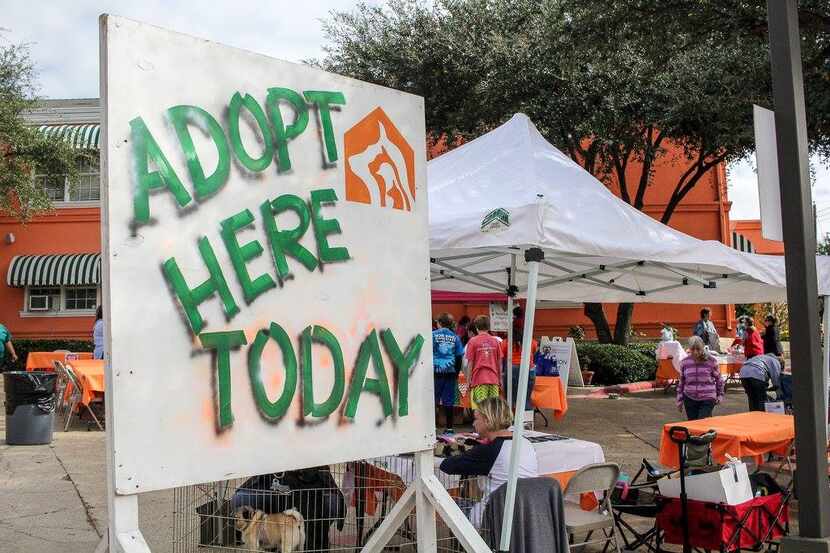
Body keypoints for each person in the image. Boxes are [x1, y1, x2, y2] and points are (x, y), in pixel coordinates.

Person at [440, 397, 539, 527]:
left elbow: (447, 466)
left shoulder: (490, 451)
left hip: (493, 517)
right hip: (526, 514)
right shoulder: (526, 443)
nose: (473, 424)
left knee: (443, 502)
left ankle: (466, 545)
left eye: (476, 419)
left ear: (487, 420)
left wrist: (455, 446)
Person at [677, 336, 724, 420]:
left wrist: (720, 395)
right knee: (693, 425)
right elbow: (681, 382)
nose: (695, 352)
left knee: (702, 422)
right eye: (692, 349)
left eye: (698, 349)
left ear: (702, 348)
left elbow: (719, 379)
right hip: (689, 397)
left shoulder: (711, 361)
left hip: (708, 397)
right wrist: (679, 400)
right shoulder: (685, 362)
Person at [433, 313, 464, 433]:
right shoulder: (455, 337)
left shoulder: (433, 335)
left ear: (439, 323)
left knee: (433, 400)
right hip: (450, 373)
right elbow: (459, 357)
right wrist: (456, 374)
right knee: (449, 401)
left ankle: (432, 426)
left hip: (435, 372)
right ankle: (450, 428)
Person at [464, 316, 503, 409]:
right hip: (493, 380)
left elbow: (470, 363)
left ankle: (482, 424)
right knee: (493, 409)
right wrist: (500, 379)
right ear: (489, 327)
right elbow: (499, 362)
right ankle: (492, 424)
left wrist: (468, 380)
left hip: (479, 380)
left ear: (476, 327)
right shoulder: (495, 341)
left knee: (480, 409)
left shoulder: (472, 341)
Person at [500, 329, 537, 410]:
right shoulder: (532, 342)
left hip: (512, 370)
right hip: (528, 370)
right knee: (526, 399)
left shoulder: (505, 342)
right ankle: (527, 420)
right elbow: (534, 351)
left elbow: (501, 357)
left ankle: (510, 420)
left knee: (510, 399)